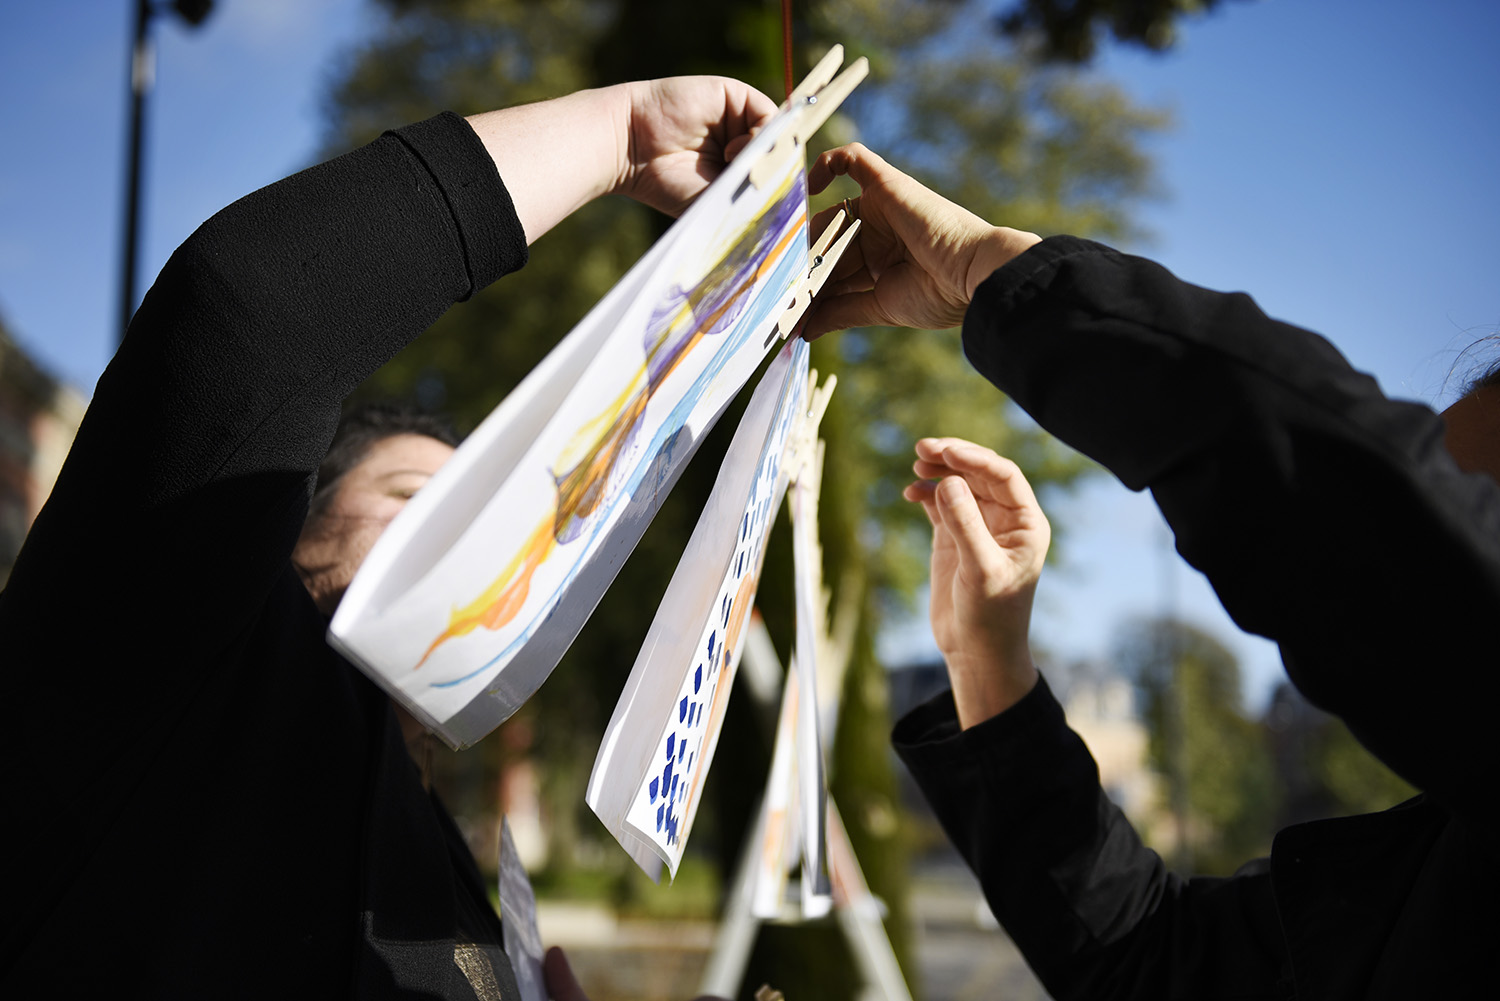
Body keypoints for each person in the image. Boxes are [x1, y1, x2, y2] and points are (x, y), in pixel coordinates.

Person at [0, 77, 774, 997]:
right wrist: (625, 138)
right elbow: (247, 314)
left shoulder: (451, 856)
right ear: (289, 521)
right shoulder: (168, 665)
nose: (464, 536)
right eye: (411, 493)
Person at [803, 142, 1500, 997]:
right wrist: (989, 666)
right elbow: (1152, 961)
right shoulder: (1432, 870)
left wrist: (1005, 277)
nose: (1437, 521)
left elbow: (1391, 542)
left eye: (1470, 506)